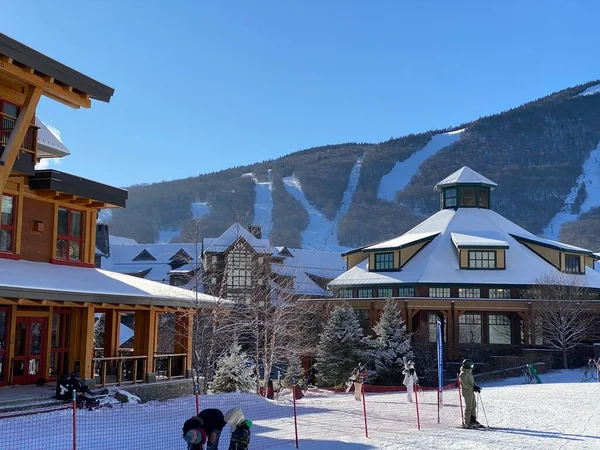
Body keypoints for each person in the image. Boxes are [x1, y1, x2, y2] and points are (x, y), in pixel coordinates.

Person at [459, 359, 484, 429]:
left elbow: (472, 382)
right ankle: (467, 422)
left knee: (474, 405)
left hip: (471, 391)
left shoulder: (469, 372)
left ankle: (473, 420)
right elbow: (466, 385)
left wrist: (475, 387)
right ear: (467, 366)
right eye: (471, 365)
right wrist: (473, 388)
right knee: (469, 406)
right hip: (466, 392)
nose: (472, 367)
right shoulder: (463, 374)